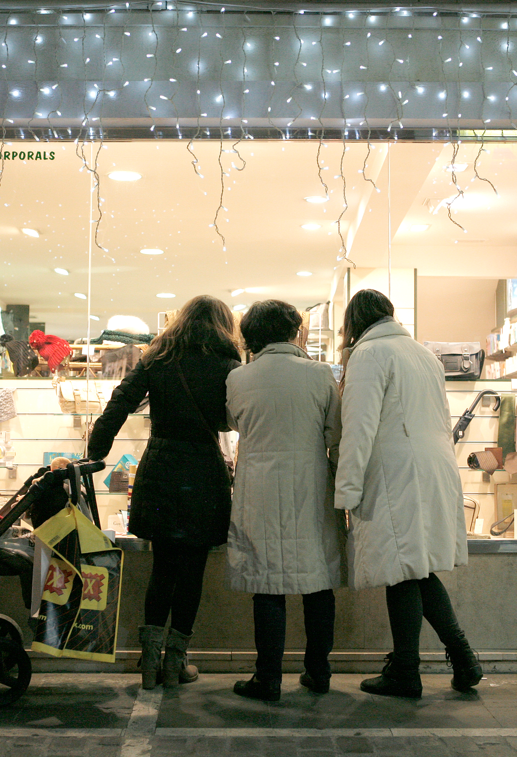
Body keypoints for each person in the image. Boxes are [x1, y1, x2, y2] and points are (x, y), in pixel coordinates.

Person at [86, 295, 241, 690]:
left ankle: (149, 662)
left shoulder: (157, 359)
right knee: (192, 571)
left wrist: (95, 454)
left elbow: (118, 405)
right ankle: (176, 662)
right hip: (204, 471)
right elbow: (229, 423)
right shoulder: (228, 365)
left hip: (161, 468)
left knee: (163, 567)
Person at [333, 289, 482, 699]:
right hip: (433, 466)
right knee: (416, 567)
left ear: (354, 323)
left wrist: (345, 491)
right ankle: (463, 658)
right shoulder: (422, 354)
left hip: (396, 471)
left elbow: (359, 429)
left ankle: (405, 669)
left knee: (401, 569)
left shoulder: (368, 356)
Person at [225, 300, 343, 702]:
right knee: (317, 581)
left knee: (268, 584)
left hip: (259, 488)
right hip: (311, 487)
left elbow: (235, 423)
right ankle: (318, 671)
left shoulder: (238, 378)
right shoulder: (321, 375)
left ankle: (268, 678)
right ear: (295, 331)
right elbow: (334, 433)